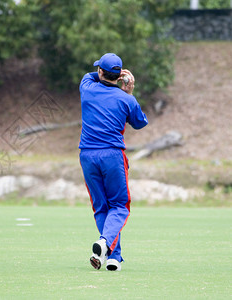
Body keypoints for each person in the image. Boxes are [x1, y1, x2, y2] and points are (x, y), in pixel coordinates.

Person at [78, 53, 148, 271]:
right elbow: (140, 123)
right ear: (119, 75)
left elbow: (89, 75)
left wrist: (113, 78)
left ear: (100, 72)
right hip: (112, 155)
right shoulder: (126, 99)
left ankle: (112, 258)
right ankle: (105, 243)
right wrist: (128, 90)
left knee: (101, 207)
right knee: (119, 205)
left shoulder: (87, 88)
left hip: (87, 155)